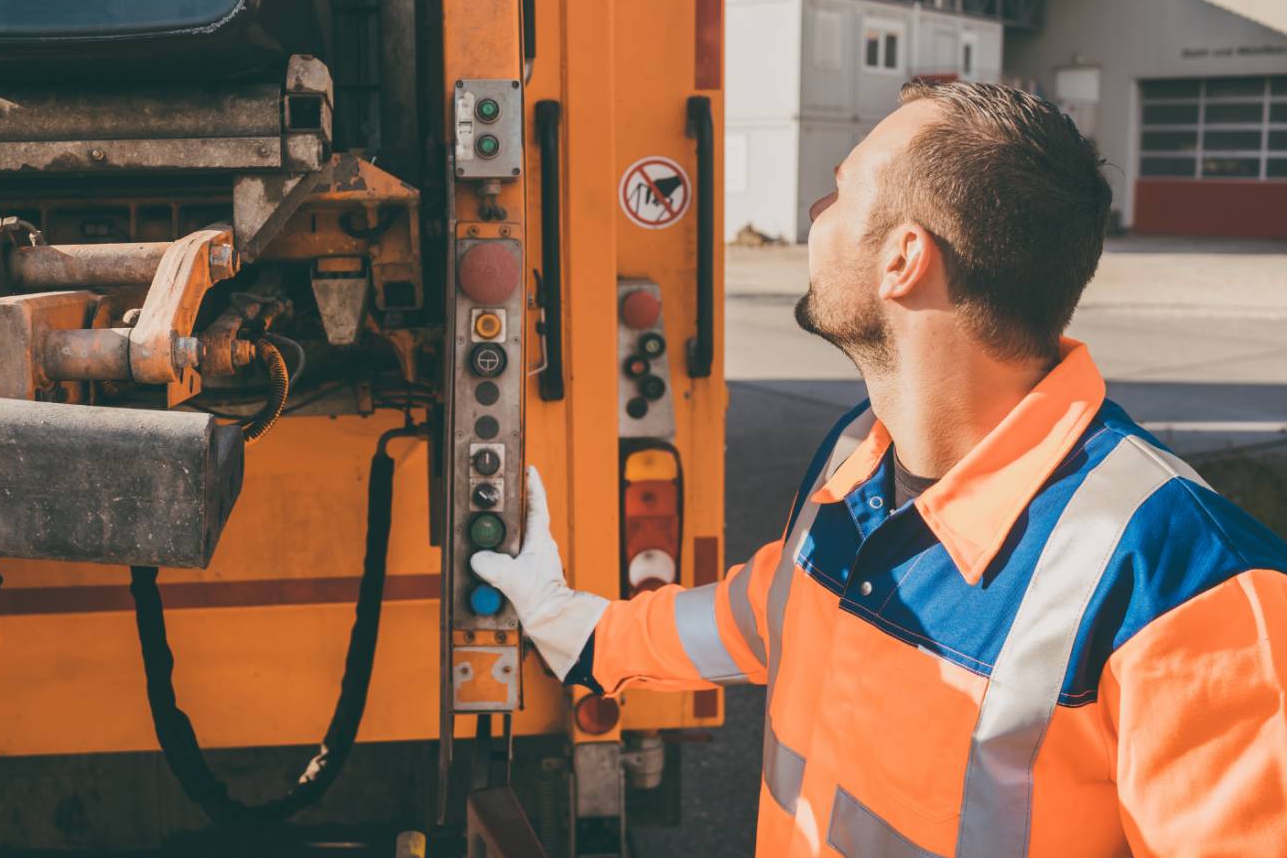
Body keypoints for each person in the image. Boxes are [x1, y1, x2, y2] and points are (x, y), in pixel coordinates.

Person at [472, 80, 1287, 857]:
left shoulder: (1193, 586)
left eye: (837, 190)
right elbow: (772, 608)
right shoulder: (860, 454)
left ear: (903, 259)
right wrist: (576, 626)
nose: (814, 215)